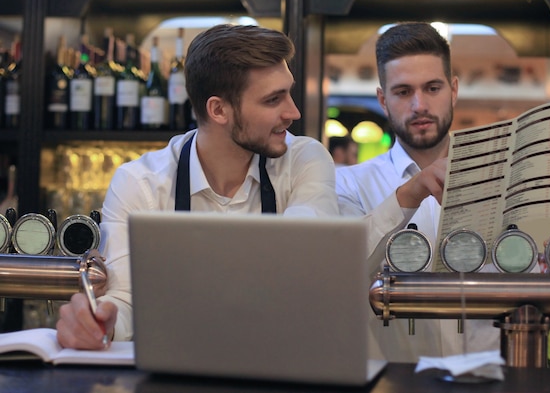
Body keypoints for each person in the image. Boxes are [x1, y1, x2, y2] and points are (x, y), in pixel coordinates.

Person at [56, 24, 339, 350]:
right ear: (219, 110)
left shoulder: (305, 159)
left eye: (288, 92)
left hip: (281, 357)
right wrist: (100, 324)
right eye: (273, 99)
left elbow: (305, 252)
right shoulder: (140, 183)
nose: (293, 112)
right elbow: (127, 298)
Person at [335, 22, 550, 363]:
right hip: (395, 380)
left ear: (453, 90)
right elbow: (340, 277)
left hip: (491, 378)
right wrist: (409, 195)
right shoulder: (348, 183)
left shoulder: (507, 180)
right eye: (403, 91)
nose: (419, 104)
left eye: (432, 88)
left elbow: (532, 287)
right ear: (383, 99)